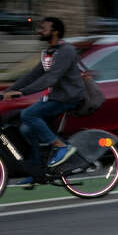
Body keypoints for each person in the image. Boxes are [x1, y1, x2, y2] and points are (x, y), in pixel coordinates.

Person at [0, 17, 86, 182]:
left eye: (43, 28)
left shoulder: (66, 51)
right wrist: (7, 91)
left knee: (28, 115)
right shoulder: (49, 52)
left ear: (55, 32)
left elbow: (51, 79)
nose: (39, 31)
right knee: (26, 129)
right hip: (55, 97)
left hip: (69, 97)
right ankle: (37, 172)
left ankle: (61, 146)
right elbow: (32, 75)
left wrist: (21, 92)